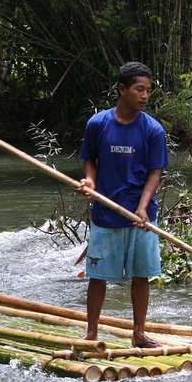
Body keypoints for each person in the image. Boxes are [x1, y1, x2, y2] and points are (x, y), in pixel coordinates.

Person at [75, 61, 169, 349]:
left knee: (141, 276)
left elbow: (155, 172)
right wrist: (90, 182)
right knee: (98, 276)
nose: (145, 96)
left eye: (148, 91)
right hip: (106, 213)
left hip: (141, 215)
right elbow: (89, 159)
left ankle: (138, 333)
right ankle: (91, 333)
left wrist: (143, 208)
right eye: (139, 89)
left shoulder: (153, 130)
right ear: (122, 89)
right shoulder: (98, 124)